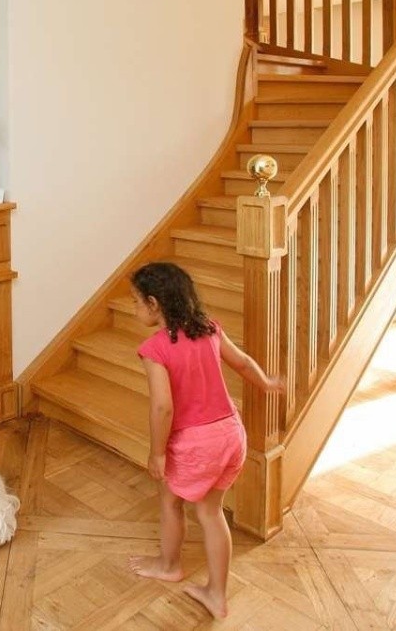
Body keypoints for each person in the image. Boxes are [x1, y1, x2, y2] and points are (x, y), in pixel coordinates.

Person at [126, 262, 283, 619]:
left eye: (136, 301)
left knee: (170, 502)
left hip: (195, 444)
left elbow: (163, 407)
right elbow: (242, 363)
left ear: (154, 303)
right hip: (231, 435)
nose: (134, 308)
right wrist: (267, 382)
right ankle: (216, 593)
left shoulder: (154, 349)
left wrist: (157, 453)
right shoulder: (210, 329)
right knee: (211, 513)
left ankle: (169, 565)